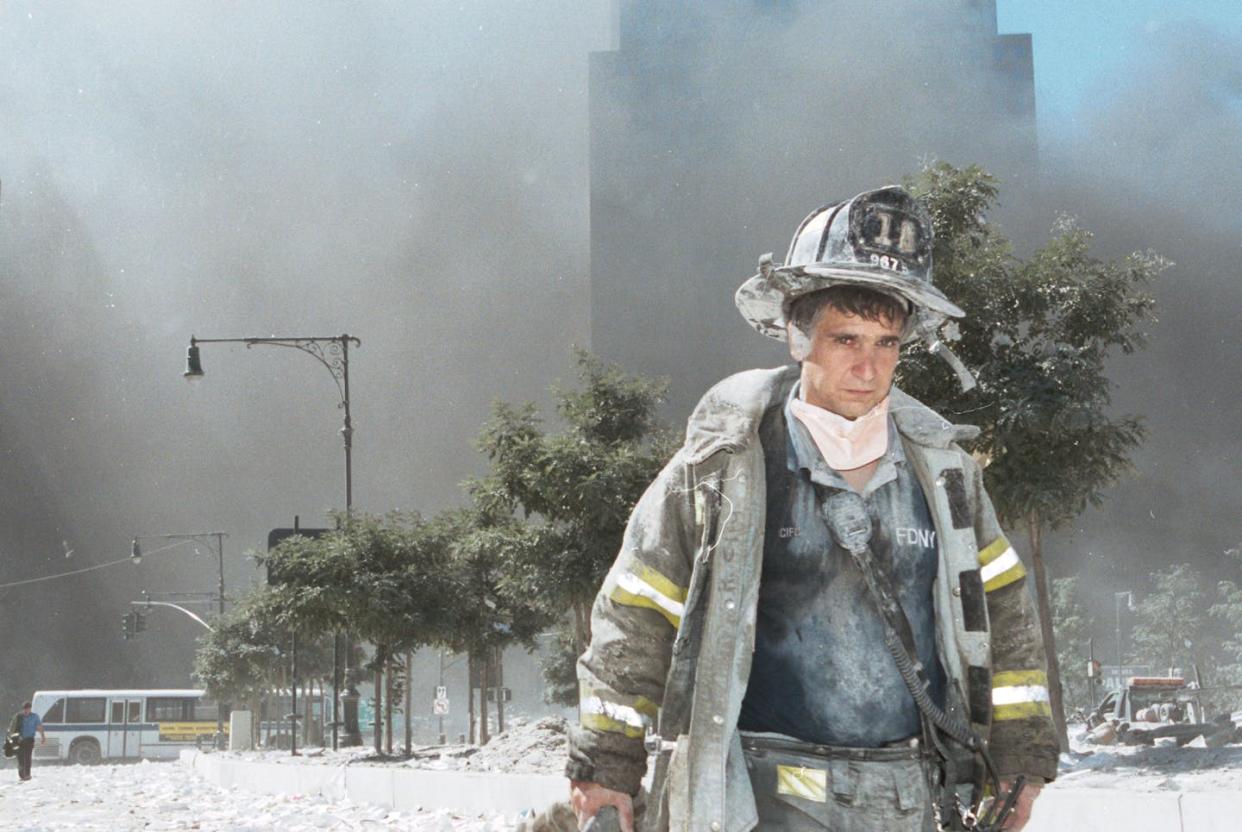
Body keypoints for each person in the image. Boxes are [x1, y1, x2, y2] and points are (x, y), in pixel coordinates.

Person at [566, 187, 1059, 831]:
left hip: (910, 794)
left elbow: (1005, 613)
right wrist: (608, 762)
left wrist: (1019, 755)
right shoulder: (724, 465)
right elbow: (637, 612)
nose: (867, 366)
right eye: (846, 339)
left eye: (887, 343)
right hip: (766, 795)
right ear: (799, 337)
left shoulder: (945, 477)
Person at [9, 701, 46, 781]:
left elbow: (39, 727)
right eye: (25, 709)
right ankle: (22, 774)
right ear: (23, 709)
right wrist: (11, 738)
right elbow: (12, 727)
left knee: (28, 757)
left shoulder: (34, 717)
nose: (26, 711)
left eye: (28, 709)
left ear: (30, 709)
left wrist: (43, 736)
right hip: (20, 740)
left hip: (29, 740)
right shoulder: (19, 716)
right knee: (21, 758)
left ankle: (27, 774)